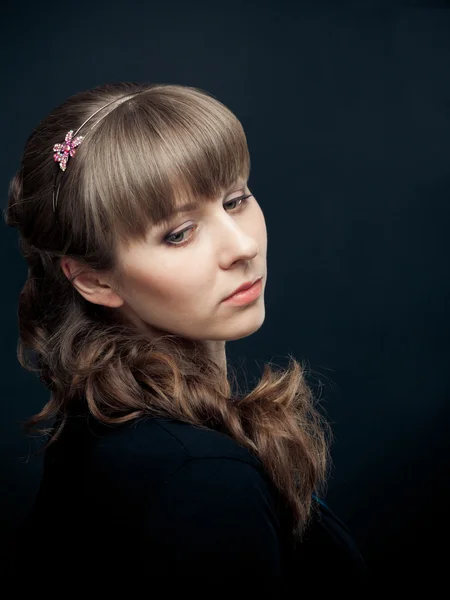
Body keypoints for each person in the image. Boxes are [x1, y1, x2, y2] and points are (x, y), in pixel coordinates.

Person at [4, 82, 367, 594]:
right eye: (178, 233)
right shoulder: (199, 478)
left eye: (236, 199)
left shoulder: (106, 429)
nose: (242, 246)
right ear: (93, 279)